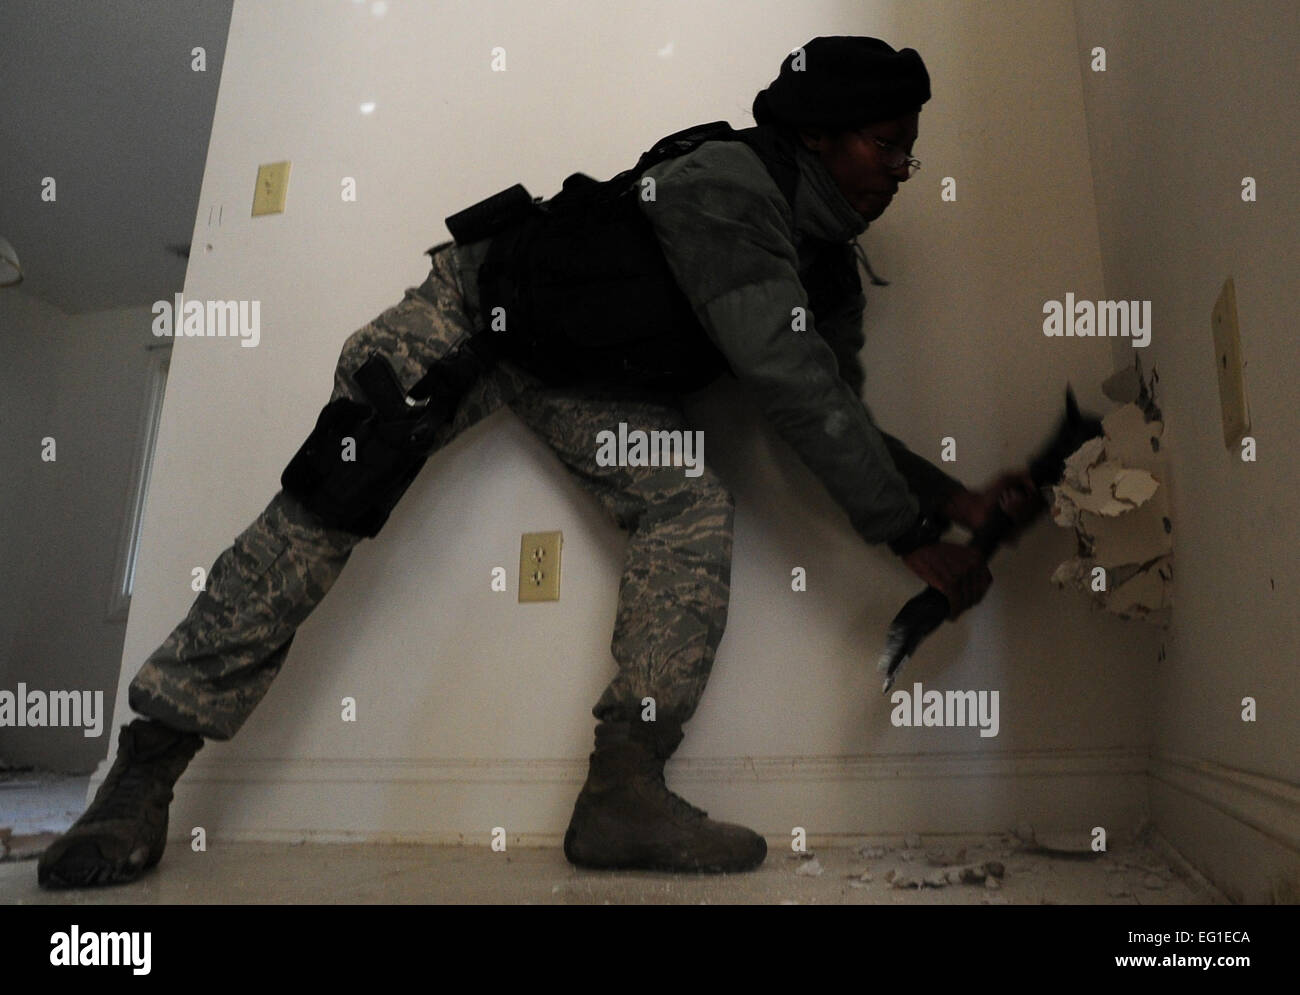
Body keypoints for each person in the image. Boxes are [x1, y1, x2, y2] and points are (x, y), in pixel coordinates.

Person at [38, 35, 1039, 889]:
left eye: (910, 148)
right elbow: (788, 379)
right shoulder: (733, 183)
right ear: (821, 133)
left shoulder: (825, 270)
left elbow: (831, 409)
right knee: (337, 487)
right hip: (474, 314)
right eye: (887, 142)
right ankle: (143, 770)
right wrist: (913, 536)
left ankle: (625, 792)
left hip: (586, 379)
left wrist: (951, 495)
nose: (905, 166)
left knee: (687, 509)